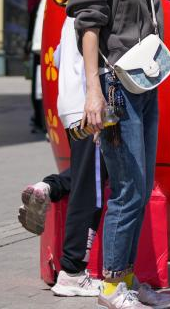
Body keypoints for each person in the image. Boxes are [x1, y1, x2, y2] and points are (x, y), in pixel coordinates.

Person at [66, 0, 170, 309]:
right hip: (116, 86)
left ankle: (128, 281)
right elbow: (89, 25)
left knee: (139, 184)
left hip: (144, 82)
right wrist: (94, 91)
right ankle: (113, 286)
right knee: (128, 188)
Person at [18, 16, 106, 298]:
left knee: (90, 175)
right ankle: (72, 271)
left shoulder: (69, 19)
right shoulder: (93, 14)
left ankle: (50, 186)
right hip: (88, 109)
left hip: (70, 108)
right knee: (90, 189)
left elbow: (56, 58)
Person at [26, 0, 51, 133]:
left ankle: (43, 121)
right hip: (38, 49)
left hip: (45, 49)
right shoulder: (37, 1)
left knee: (43, 88)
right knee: (38, 88)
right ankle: (39, 119)